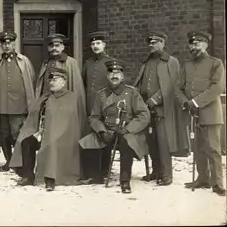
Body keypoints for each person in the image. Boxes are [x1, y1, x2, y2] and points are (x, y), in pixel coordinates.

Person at [79, 60, 150, 194]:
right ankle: (96, 175)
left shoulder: (132, 93)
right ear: (107, 76)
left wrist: (128, 129)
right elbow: (94, 117)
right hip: (108, 130)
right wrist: (101, 130)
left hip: (128, 131)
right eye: (111, 72)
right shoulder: (101, 94)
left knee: (126, 143)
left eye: (117, 73)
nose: (114, 76)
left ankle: (124, 180)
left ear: (122, 76)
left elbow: (144, 115)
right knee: (88, 141)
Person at [10, 67, 81, 191]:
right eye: (50, 80)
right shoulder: (45, 97)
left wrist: (54, 135)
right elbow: (35, 118)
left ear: (64, 81)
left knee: (51, 145)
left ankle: (50, 178)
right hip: (42, 134)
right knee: (26, 141)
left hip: (62, 138)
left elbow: (70, 123)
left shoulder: (71, 98)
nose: (51, 82)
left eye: (55, 80)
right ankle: (28, 175)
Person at [134, 31, 189, 186]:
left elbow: (171, 85)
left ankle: (166, 174)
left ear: (163, 43)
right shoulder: (147, 62)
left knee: (163, 142)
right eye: (150, 43)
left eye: (155, 42)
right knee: (151, 141)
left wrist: (155, 99)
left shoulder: (171, 61)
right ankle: (155, 171)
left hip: (163, 109)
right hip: (146, 108)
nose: (151, 45)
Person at [176, 31, 226, 196]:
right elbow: (178, 87)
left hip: (210, 114)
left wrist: (196, 102)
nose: (194, 47)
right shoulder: (187, 65)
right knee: (198, 148)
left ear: (206, 45)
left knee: (213, 149)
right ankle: (203, 178)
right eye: (192, 44)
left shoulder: (215, 63)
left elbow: (217, 88)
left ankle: (218, 183)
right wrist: (185, 102)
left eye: (197, 43)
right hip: (193, 114)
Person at [0, 31, 36, 171]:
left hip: (19, 105)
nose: (7, 45)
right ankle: (8, 161)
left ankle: (18, 160)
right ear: (1, 45)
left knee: (17, 134)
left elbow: (31, 78)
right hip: (1, 105)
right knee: (4, 135)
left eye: (9, 43)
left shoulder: (24, 61)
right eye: (4, 43)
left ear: (14, 43)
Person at [81, 31, 114, 184]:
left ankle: (105, 169)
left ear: (104, 45)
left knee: (104, 136)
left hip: (105, 105)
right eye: (93, 44)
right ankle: (92, 171)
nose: (95, 46)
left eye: (98, 43)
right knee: (91, 137)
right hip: (89, 105)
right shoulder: (88, 63)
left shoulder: (110, 62)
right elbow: (83, 84)